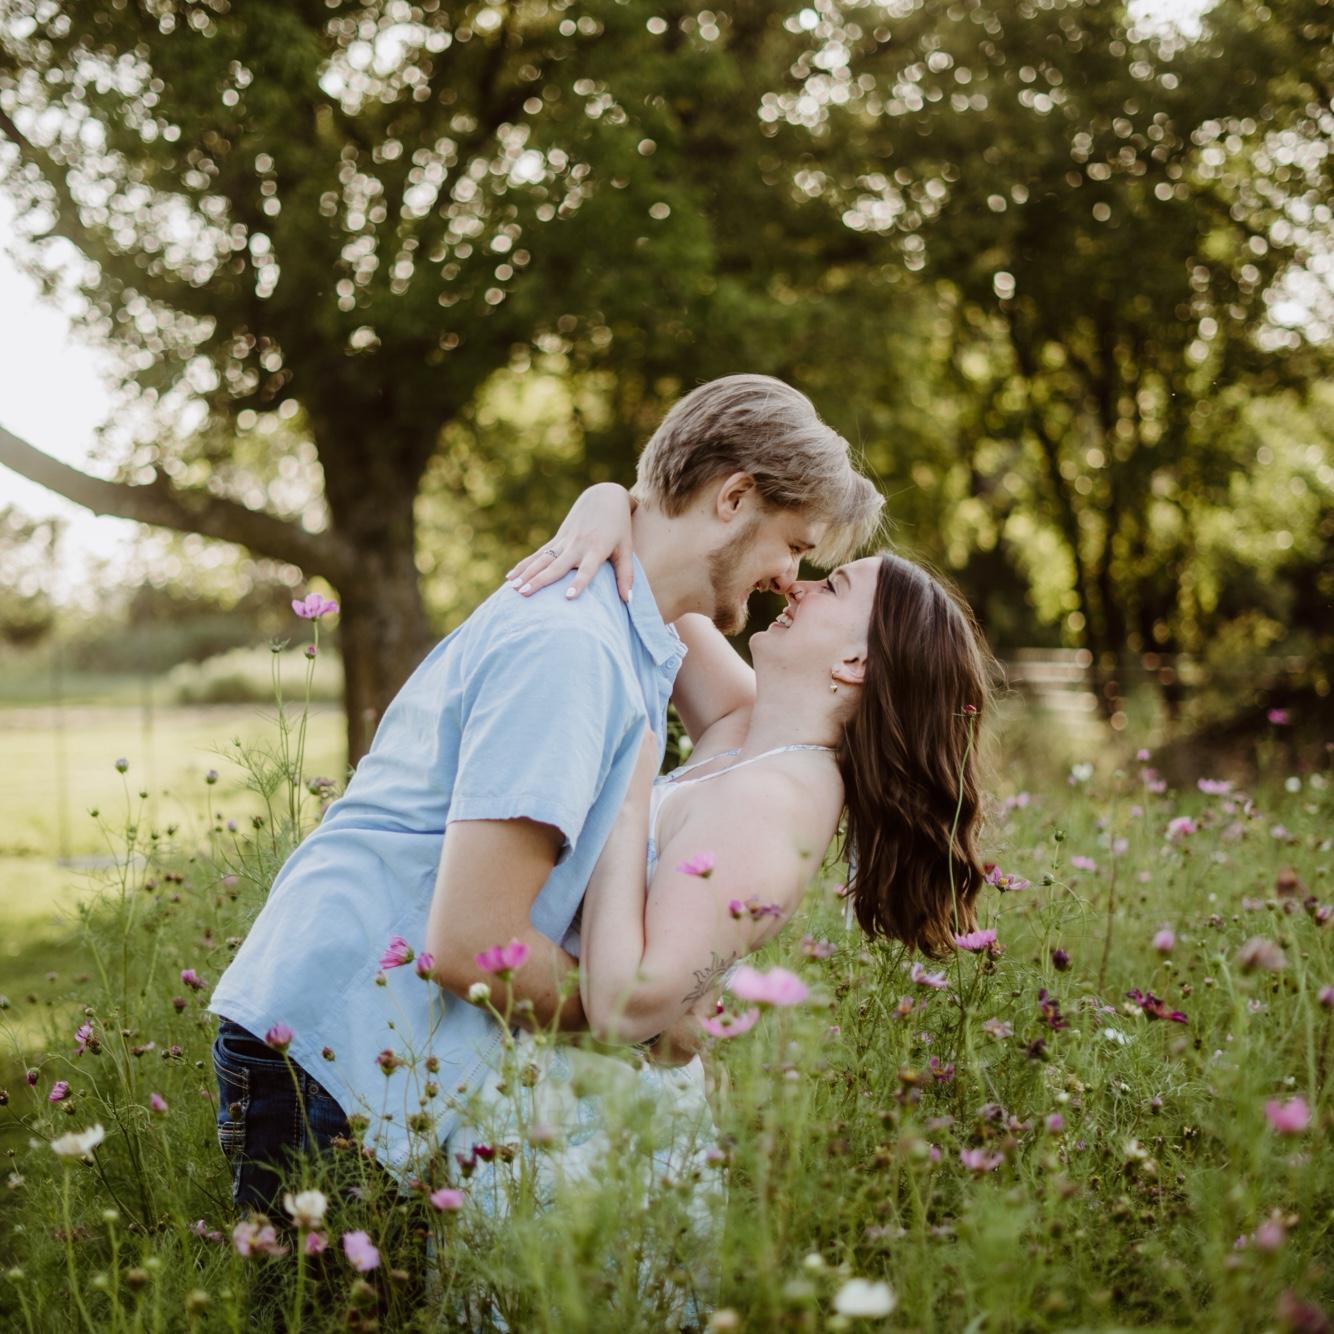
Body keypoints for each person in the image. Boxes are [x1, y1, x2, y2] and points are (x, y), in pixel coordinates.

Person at [206, 373, 883, 1216]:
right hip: (331, 1048)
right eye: (794, 544)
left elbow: (758, 726)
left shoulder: (627, 628)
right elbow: (473, 945)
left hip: (377, 1049)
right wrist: (644, 1022)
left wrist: (611, 498)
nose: (791, 576)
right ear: (735, 497)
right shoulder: (572, 647)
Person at [443, 484, 997, 1326]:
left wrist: (624, 797)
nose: (797, 584)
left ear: (854, 665)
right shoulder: (745, 729)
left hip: (602, 1141)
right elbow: (656, 574)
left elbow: (628, 1007)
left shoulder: (781, 801)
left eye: (832, 587)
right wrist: (604, 501)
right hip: (550, 1101)